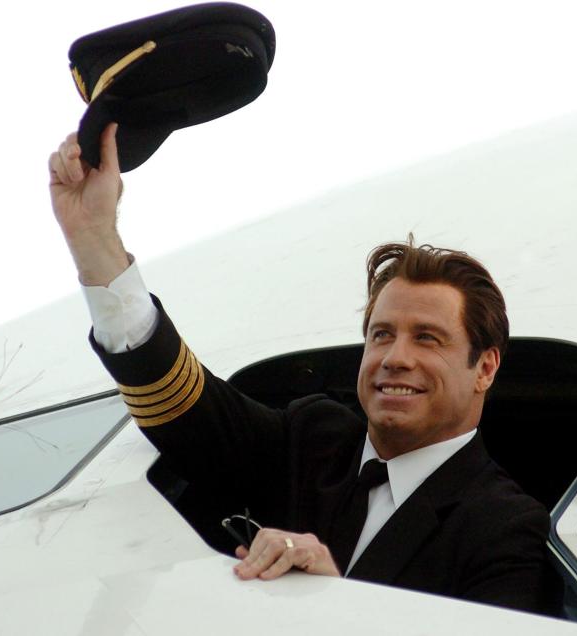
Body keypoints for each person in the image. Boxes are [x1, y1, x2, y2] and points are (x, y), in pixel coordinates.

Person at [48, 123, 550, 613]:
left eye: (427, 338)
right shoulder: (313, 440)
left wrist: (335, 610)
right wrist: (96, 243)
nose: (396, 357)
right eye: (381, 334)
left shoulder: (505, 527)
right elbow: (184, 408)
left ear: (484, 367)